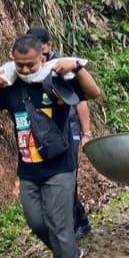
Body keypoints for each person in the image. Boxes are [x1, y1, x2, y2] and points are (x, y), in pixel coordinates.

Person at [0, 35, 102, 258]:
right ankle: (65, 252)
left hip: (59, 166)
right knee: (36, 222)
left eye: (30, 65)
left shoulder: (55, 79)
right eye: (19, 64)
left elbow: (93, 93)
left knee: (60, 224)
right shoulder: (10, 86)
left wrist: (77, 68)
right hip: (28, 170)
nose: (24, 70)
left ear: (42, 59)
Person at [25, 26, 92, 241]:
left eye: (40, 45)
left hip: (68, 130)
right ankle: (78, 221)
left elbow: (82, 101)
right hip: (45, 134)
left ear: (49, 45)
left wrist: (86, 133)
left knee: (67, 178)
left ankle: (74, 226)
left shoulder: (62, 67)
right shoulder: (30, 70)